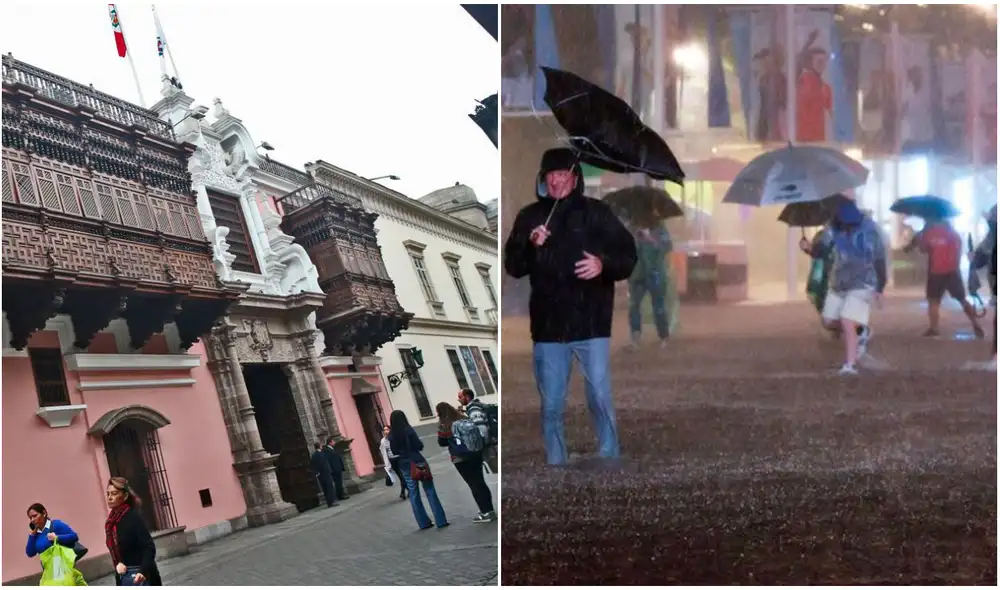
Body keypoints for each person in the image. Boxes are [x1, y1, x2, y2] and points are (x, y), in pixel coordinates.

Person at [504, 147, 638, 466]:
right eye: (551, 176)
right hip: (549, 327)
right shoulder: (530, 217)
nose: (557, 182)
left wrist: (603, 265)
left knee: (600, 397)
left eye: (563, 175)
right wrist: (529, 245)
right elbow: (513, 266)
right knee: (551, 403)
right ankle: (556, 460)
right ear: (542, 180)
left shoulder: (596, 213)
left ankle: (609, 454)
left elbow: (628, 255)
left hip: (591, 322)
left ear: (575, 178)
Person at [800, 200, 887, 375]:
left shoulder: (869, 230)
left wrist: (879, 287)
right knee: (828, 320)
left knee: (847, 320)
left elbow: (879, 259)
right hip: (839, 282)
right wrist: (808, 249)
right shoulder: (833, 228)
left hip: (863, 282)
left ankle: (850, 365)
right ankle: (861, 331)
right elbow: (821, 251)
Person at [903, 216, 985, 339]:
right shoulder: (954, 234)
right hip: (953, 271)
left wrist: (921, 240)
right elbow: (959, 251)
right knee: (962, 299)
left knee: (934, 301)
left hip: (936, 271)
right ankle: (975, 323)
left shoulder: (929, 234)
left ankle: (934, 328)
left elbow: (923, 249)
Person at [388, 410, 448, 530]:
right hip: (417, 461)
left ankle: (423, 523)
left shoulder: (391, 436)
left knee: (413, 493)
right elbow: (419, 445)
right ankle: (440, 520)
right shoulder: (409, 430)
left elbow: (394, 452)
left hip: (404, 465)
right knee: (430, 490)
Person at [436, 402, 496, 523]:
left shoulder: (445, 424)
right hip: (476, 454)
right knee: (480, 482)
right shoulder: (463, 418)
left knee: (473, 485)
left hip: (460, 458)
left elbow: (441, 442)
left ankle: (485, 513)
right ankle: (490, 510)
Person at [626, 219, 673, 349]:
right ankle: (635, 336)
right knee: (634, 305)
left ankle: (663, 336)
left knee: (658, 306)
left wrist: (650, 239)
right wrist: (634, 239)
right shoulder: (632, 227)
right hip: (636, 273)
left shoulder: (658, 226)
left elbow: (667, 246)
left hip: (655, 272)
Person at [105, 477, 161, 586]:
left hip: (143, 576)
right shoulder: (111, 522)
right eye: (108, 494)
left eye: (114, 493)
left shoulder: (133, 517)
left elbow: (149, 547)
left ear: (125, 496)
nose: (110, 498)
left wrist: (142, 571)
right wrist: (118, 564)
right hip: (124, 577)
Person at [379, 425, 407, 500]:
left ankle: (403, 492)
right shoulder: (383, 441)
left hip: (399, 458)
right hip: (392, 460)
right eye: (384, 430)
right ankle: (408, 491)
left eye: (387, 429)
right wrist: (387, 465)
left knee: (402, 476)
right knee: (401, 476)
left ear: (390, 430)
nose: (385, 431)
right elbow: (384, 454)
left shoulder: (394, 438)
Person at [310, 442, 338, 508]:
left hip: (324, 473)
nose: (322, 447)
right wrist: (317, 472)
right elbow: (317, 464)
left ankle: (330, 502)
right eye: (321, 446)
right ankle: (331, 501)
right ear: (319, 446)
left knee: (327, 488)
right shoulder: (318, 454)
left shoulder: (316, 454)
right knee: (328, 487)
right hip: (324, 473)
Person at [322, 436, 349, 501]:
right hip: (335, 469)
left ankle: (341, 494)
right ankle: (340, 496)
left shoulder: (332, 449)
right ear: (330, 442)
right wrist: (332, 469)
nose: (334, 442)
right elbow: (329, 460)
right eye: (333, 441)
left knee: (339, 482)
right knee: (338, 483)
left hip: (338, 468)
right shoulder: (327, 450)